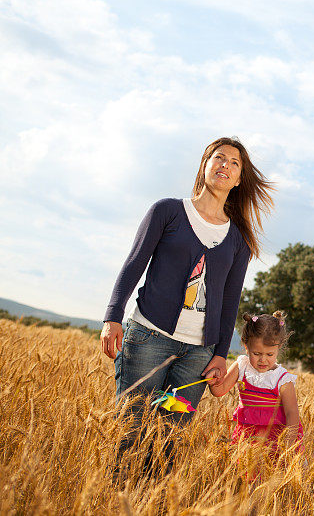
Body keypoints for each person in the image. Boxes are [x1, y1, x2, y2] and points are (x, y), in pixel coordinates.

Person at [100, 136, 274, 478]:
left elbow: (230, 301)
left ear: (239, 179)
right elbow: (134, 264)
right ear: (205, 165)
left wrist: (221, 353)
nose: (225, 165)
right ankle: (114, 499)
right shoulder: (167, 211)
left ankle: (151, 502)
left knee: (168, 439)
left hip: (196, 357)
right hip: (148, 340)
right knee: (131, 430)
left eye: (234, 163)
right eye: (218, 158)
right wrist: (112, 316)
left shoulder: (238, 238)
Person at [209, 311, 303, 458]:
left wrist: (289, 446)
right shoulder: (242, 366)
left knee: (270, 475)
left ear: (279, 348)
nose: (263, 360)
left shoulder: (283, 379)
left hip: (275, 439)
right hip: (246, 436)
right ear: (246, 347)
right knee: (246, 474)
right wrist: (212, 380)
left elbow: (292, 413)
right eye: (257, 354)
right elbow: (219, 390)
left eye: (269, 354)